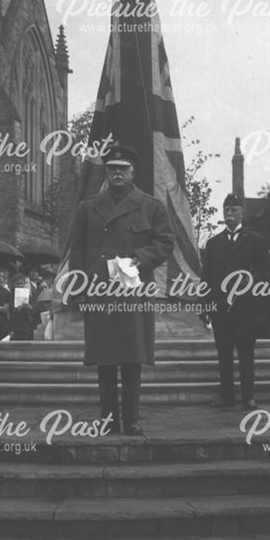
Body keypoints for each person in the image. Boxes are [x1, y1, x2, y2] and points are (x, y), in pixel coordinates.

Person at [66, 144, 174, 435]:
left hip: (133, 293)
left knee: (131, 358)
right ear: (106, 171)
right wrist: (77, 286)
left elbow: (165, 243)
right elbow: (77, 250)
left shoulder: (151, 206)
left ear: (132, 172)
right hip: (100, 293)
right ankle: (108, 419)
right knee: (105, 360)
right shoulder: (88, 209)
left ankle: (132, 418)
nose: (117, 173)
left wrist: (140, 258)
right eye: (112, 168)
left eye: (122, 169)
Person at [201, 193, 270, 410]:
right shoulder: (213, 244)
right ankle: (227, 397)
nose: (229, 214)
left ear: (242, 212)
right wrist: (204, 305)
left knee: (246, 354)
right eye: (226, 210)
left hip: (245, 309)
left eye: (234, 210)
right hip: (221, 309)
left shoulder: (255, 241)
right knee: (224, 354)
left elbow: (265, 273)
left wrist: (246, 282)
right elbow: (207, 277)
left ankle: (248, 396)